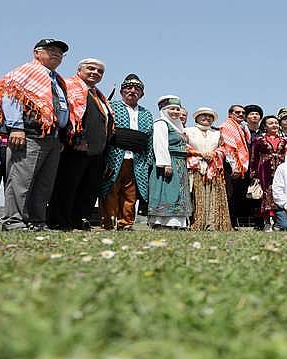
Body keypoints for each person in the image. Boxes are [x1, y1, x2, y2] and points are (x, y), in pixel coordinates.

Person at [0, 38, 70, 231]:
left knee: (44, 183)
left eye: (60, 52)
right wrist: (16, 127)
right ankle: (13, 222)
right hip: (29, 133)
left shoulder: (56, 79)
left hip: (52, 137)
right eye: (51, 50)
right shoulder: (24, 73)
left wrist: (60, 135)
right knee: (21, 180)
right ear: (36, 53)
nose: (56, 54)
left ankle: (37, 221)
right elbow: (10, 95)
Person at [48, 58, 113, 230]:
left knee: (88, 189)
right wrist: (76, 138)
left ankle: (77, 220)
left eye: (100, 71)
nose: (95, 73)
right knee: (67, 186)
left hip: (96, 150)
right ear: (79, 70)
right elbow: (63, 114)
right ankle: (58, 221)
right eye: (91, 68)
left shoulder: (98, 94)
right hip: (74, 147)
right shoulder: (68, 86)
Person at [99, 74, 153, 230]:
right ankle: (108, 222)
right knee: (110, 189)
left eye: (137, 89)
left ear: (142, 94)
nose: (133, 91)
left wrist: (148, 160)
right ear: (122, 91)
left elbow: (149, 138)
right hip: (114, 156)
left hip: (137, 159)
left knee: (131, 193)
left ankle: (126, 223)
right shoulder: (111, 107)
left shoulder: (147, 114)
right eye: (129, 88)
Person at [147, 95, 192, 229]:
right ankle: (161, 222)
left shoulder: (178, 127)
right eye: (172, 109)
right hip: (168, 161)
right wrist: (165, 163)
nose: (175, 112)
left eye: (177, 109)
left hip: (180, 163)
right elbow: (160, 144)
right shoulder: (161, 123)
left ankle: (177, 223)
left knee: (179, 192)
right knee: (167, 191)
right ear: (165, 110)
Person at [184, 107, 232, 231]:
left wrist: (214, 154)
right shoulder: (187, 131)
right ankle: (197, 222)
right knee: (196, 196)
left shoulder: (217, 133)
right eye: (203, 115)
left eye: (210, 116)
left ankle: (212, 223)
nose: (207, 118)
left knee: (213, 196)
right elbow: (184, 146)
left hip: (213, 168)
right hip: (195, 167)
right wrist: (200, 154)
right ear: (196, 118)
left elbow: (223, 149)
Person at [250, 115, 287, 229]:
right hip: (264, 170)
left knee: (281, 192)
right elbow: (254, 157)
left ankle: (279, 221)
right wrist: (254, 173)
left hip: (282, 169)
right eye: (271, 123)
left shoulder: (285, 140)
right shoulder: (259, 140)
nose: (274, 125)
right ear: (265, 126)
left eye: (276, 123)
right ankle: (266, 221)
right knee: (266, 194)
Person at [219, 104, 250, 227]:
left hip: (242, 166)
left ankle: (233, 222)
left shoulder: (242, 128)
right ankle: (228, 223)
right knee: (230, 196)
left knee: (238, 196)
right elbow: (229, 149)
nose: (241, 115)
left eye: (243, 113)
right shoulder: (226, 126)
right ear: (230, 114)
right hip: (230, 166)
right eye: (237, 112)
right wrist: (235, 167)